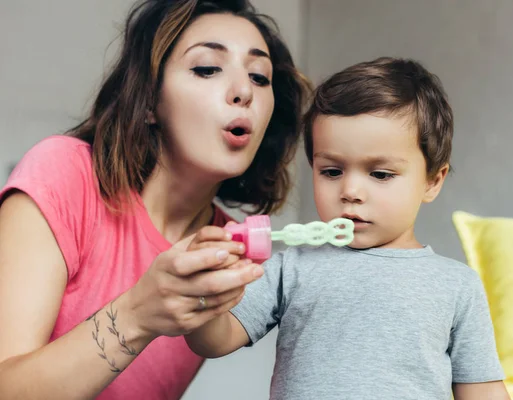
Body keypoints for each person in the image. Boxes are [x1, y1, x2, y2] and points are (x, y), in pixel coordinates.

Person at [0, 0, 310, 399]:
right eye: (207, 68)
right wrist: (138, 315)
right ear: (149, 101)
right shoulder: (64, 172)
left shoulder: (225, 248)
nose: (243, 92)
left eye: (259, 76)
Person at [185, 57, 511, 400]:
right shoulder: (291, 267)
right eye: (331, 171)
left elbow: (483, 390)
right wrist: (203, 293)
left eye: (380, 174)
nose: (350, 192)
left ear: (432, 180)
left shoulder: (457, 286)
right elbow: (214, 341)